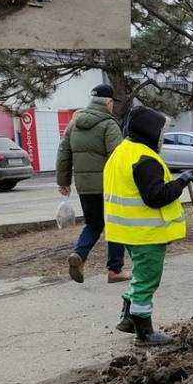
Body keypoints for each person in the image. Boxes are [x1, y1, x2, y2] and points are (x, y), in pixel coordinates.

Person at [104, 105, 193, 346]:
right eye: (160, 133)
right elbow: (156, 196)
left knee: (140, 275)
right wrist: (181, 182)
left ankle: (128, 318)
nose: (162, 138)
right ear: (149, 132)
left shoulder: (121, 152)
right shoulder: (144, 158)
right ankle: (144, 331)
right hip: (146, 233)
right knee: (147, 279)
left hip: (127, 232)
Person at [57, 84, 129, 284]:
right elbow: (117, 157)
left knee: (94, 224)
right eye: (112, 102)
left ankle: (79, 254)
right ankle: (115, 270)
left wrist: (63, 181)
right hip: (108, 185)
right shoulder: (109, 124)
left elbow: (63, 153)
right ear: (108, 102)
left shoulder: (74, 124)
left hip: (84, 186)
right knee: (115, 224)